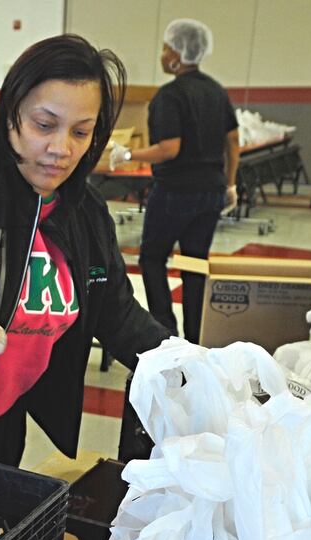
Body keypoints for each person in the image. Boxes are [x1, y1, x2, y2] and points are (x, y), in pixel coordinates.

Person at [0, 34, 171, 467]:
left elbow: (115, 311)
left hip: (4, 413)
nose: (62, 149)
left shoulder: (84, 209)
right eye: (44, 125)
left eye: (81, 132)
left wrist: (187, 363)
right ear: (10, 116)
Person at [110, 19, 238, 344]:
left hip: (176, 192)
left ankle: (166, 333)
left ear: (178, 54)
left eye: (167, 48)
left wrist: (128, 156)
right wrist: (231, 184)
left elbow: (170, 149)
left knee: (152, 258)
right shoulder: (216, 90)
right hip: (211, 190)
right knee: (195, 263)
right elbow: (233, 141)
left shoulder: (170, 95)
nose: (163, 54)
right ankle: (196, 337)